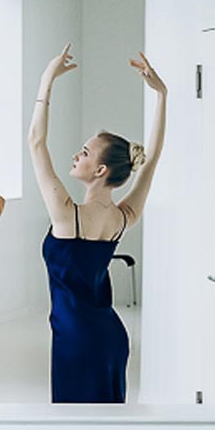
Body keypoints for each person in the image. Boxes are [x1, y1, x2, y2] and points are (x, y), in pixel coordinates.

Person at [28, 44, 168, 403]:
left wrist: (47, 80)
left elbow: (36, 143)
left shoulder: (66, 215)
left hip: (75, 340)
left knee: (75, 426)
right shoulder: (122, 218)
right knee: (108, 423)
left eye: (86, 152)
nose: (78, 155)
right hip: (110, 336)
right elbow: (152, 161)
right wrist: (162, 96)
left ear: (101, 170)